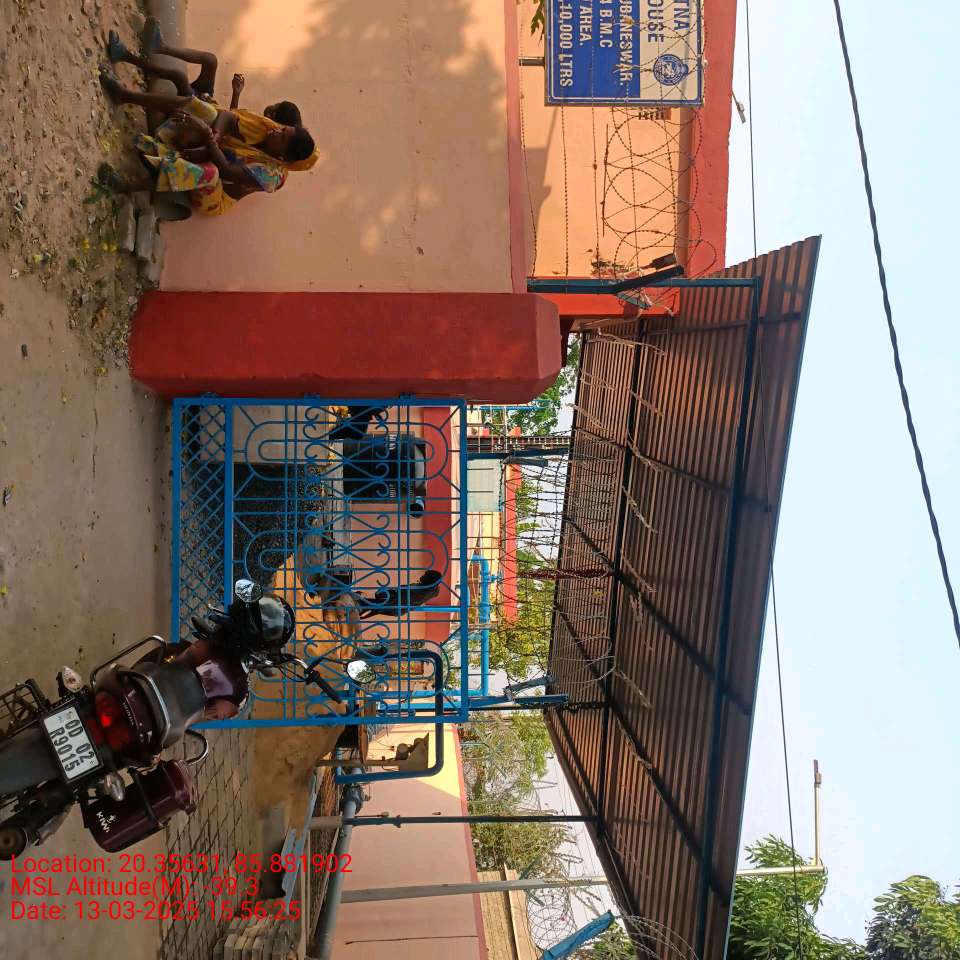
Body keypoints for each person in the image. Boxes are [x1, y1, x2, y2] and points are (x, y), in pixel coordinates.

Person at [97, 70, 315, 216]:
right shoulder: (267, 128)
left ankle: (125, 186)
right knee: (208, 111)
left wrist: (208, 137)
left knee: (211, 172)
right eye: (282, 128)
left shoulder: (272, 175)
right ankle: (124, 96)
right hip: (213, 151)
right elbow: (228, 116)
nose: (276, 130)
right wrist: (213, 136)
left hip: (215, 194)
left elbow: (227, 171)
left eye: (282, 136)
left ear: (283, 157)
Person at [106, 21, 306, 131]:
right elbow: (233, 119)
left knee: (178, 76)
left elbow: (228, 131)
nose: (270, 107)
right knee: (210, 61)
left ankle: (125, 56)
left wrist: (224, 99)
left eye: (274, 108)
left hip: (203, 115)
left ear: (274, 117)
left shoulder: (262, 134)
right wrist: (234, 94)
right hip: (209, 107)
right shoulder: (261, 126)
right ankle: (159, 47)